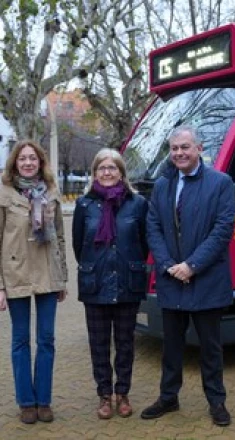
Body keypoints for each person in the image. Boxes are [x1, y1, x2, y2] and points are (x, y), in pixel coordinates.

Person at [141, 125, 235, 426]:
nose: (179, 153)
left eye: (185, 147)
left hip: (206, 280)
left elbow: (222, 230)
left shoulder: (221, 183)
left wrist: (191, 265)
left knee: (210, 348)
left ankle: (217, 402)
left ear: (199, 149)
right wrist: (168, 264)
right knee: (171, 347)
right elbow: (153, 226)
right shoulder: (162, 185)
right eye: (174, 148)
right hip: (171, 280)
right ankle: (168, 398)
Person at [72, 148, 149, 420]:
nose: (107, 172)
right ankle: (104, 394)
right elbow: (78, 246)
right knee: (99, 344)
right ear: (94, 173)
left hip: (128, 282)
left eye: (112, 167)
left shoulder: (137, 204)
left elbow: (144, 241)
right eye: (102, 168)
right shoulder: (84, 205)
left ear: (121, 172)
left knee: (126, 343)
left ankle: (123, 392)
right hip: (95, 283)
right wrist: (97, 266)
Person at [0, 139, 68, 424]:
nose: (28, 163)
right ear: (15, 162)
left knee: (47, 339)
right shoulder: (4, 194)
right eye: (22, 158)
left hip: (48, 275)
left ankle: (44, 400)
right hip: (15, 273)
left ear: (41, 163)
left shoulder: (51, 192)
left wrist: (63, 277)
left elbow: (61, 238)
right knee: (20, 340)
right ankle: (26, 401)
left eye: (33, 159)